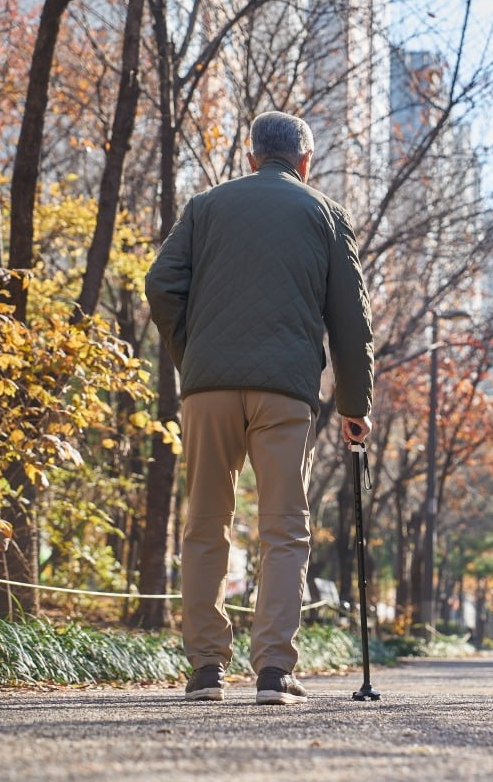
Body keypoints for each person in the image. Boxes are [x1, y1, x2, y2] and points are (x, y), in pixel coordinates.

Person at [146, 111, 374, 705]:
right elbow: (350, 320)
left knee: (204, 522)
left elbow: (161, 285)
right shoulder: (324, 214)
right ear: (305, 162)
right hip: (285, 392)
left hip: (208, 390)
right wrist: (354, 405)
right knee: (284, 528)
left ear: (251, 158)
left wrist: (192, 356)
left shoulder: (204, 208)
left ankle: (206, 670)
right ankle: (273, 670)